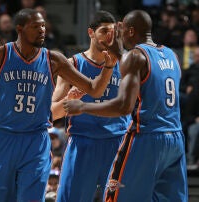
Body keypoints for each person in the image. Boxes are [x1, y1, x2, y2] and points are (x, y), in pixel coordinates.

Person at [0, 8, 116, 201]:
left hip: (36, 141)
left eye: (43, 26)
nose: (42, 30)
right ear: (20, 29)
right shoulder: (0, 55)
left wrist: (108, 67)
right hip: (4, 139)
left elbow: (94, 89)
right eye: (36, 26)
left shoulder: (54, 59)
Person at [64, 10, 187, 201]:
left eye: (120, 32)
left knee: (116, 196)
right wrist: (118, 53)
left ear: (130, 31)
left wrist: (83, 107)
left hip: (146, 137)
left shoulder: (135, 56)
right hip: (175, 138)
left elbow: (123, 106)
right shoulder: (172, 56)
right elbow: (144, 68)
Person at [51, 11, 131, 202]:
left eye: (113, 32)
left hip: (117, 142)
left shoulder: (126, 63)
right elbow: (52, 113)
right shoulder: (73, 64)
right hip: (83, 142)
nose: (109, 36)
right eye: (104, 31)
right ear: (90, 33)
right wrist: (68, 100)